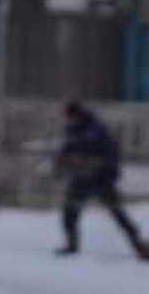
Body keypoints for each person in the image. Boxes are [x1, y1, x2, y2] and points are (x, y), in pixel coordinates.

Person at [54, 101, 142, 257]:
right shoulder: (72, 131)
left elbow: (111, 153)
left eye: (68, 117)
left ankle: (138, 244)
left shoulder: (96, 129)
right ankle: (71, 245)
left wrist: (103, 168)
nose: (66, 120)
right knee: (70, 211)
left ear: (76, 116)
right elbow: (66, 151)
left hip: (102, 178)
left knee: (117, 212)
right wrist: (62, 163)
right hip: (81, 178)